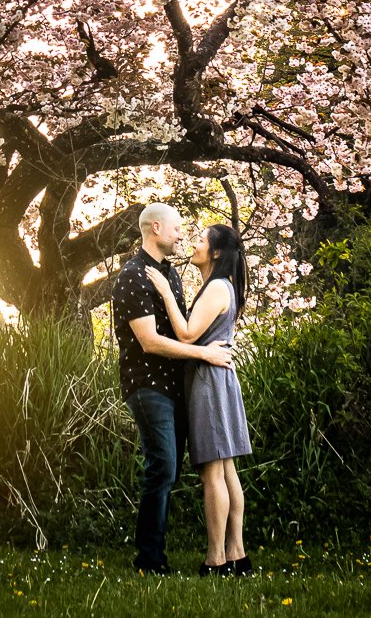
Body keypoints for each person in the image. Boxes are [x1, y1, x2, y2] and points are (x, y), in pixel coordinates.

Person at [111, 202, 234, 575]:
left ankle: (175, 552)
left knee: (172, 470)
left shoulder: (169, 276)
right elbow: (149, 342)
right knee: (162, 466)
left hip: (174, 384)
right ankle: (149, 560)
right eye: (177, 228)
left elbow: (185, 327)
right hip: (148, 384)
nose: (182, 235)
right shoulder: (133, 276)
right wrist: (205, 355)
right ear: (155, 229)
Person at [143, 222, 252, 576]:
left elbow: (188, 335)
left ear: (216, 253)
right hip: (217, 378)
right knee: (226, 469)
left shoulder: (217, 287)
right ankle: (237, 554)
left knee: (212, 472)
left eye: (201, 240)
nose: (194, 243)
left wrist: (164, 292)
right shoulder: (222, 286)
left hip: (209, 381)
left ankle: (216, 559)